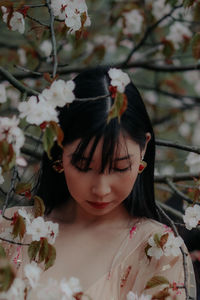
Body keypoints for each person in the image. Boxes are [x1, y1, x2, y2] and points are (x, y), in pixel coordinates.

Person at [0, 67, 196, 299]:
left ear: (143, 148)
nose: (101, 189)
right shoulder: (11, 229)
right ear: (59, 150)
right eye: (83, 166)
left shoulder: (159, 249)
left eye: (120, 167)